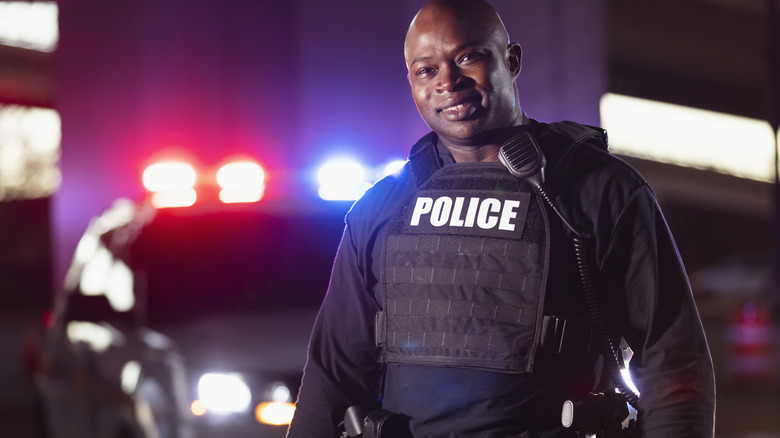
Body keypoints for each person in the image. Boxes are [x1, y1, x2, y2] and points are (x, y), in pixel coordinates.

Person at [287, 0, 716, 436]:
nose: (447, 83)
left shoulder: (599, 189)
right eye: (426, 70)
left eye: (467, 57)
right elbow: (331, 377)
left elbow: (672, 359)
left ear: (511, 61)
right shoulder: (381, 208)